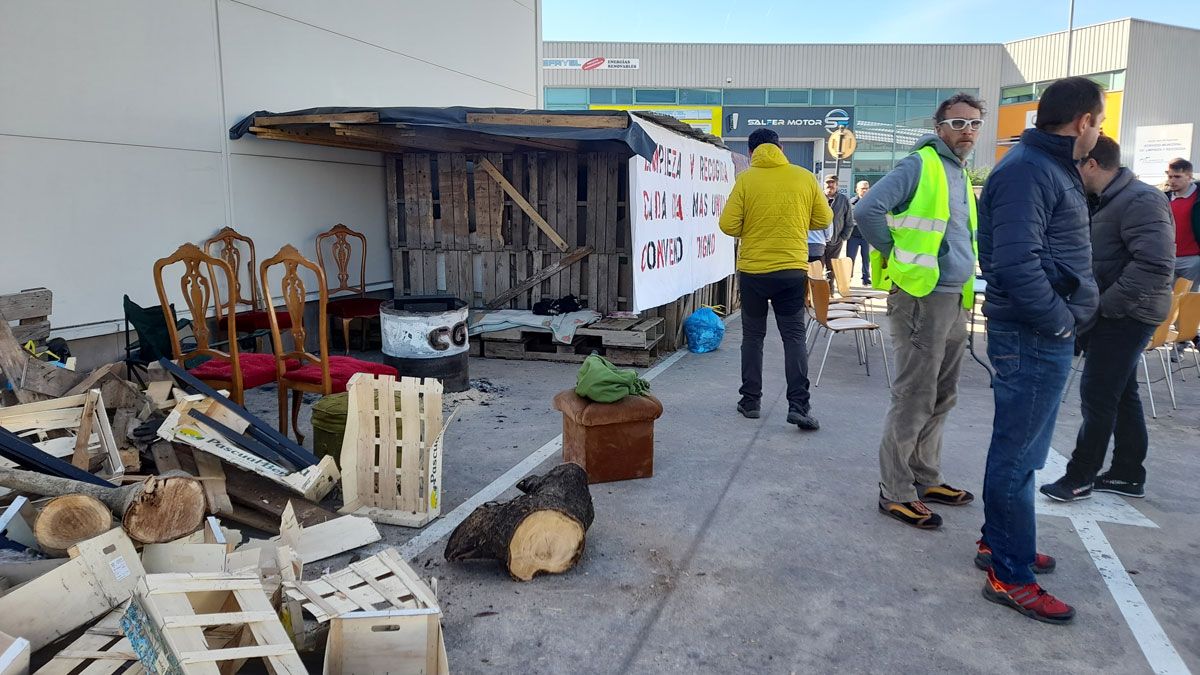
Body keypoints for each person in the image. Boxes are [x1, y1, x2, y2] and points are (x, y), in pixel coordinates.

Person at [977, 76, 1104, 625]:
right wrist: (1059, 323)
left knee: (1020, 454)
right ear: (1083, 123)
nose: (1100, 131)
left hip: (1039, 332)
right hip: (1034, 335)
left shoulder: (1044, 166)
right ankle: (1009, 573)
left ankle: (1000, 545)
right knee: (1019, 457)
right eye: (1099, 121)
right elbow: (1014, 261)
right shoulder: (1031, 168)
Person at [855, 93, 983, 530]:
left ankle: (926, 477)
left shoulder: (959, 173)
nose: (967, 131)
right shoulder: (921, 165)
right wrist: (895, 255)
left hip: (953, 298)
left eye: (974, 124)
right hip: (920, 298)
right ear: (940, 125)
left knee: (943, 395)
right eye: (958, 123)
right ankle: (896, 491)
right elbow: (867, 210)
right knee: (914, 396)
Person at [1039, 136, 1174, 503]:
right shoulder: (1107, 199)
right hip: (1116, 311)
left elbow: (1155, 265)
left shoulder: (1142, 200)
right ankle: (1129, 473)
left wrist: (1101, 308)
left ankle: (1080, 476)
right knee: (1121, 393)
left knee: (1098, 394)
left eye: (1076, 163)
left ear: (1092, 164)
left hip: (1128, 314)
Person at [719, 128, 831, 431]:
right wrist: (794, 220)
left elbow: (728, 224)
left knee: (753, 337)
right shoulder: (804, 177)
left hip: (755, 272)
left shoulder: (745, 180)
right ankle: (799, 406)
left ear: (752, 151)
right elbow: (824, 219)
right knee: (794, 337)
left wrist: (753, 226)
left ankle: (750, 401)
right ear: (780, 148)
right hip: (792, 271)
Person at [1165, 158, 1200, 291]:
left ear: (1189, 177)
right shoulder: (1164, 198)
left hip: (1192, 260)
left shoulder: (1197, 199)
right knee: (1168, 301)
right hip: (1168, 259)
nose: (1172, 180)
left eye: (1177, 176)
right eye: (1170, 176)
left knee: (1188, 300)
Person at [821, 174, 855, 292]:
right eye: (828, 183)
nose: (830, 186)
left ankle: (830, 292)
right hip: (818, 240)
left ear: (836, 185)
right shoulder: (818, 197)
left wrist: (843, 237)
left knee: (832, 268)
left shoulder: (843, 199)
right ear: (824, 184)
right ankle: (816, 294)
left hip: (836, 240)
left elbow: (849, 220)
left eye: (833, 183)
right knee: (816, 268)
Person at [847, 181, 872, 285]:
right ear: (857, 190)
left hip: (867, 236)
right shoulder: (851, 203)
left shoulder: (873, 202)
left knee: (866, 258)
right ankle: (848, 277)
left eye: (867, 188)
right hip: (853, 235)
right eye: (862, 188)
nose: (865, 190)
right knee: (850, 259)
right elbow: (847, 218)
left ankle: (866, 277)